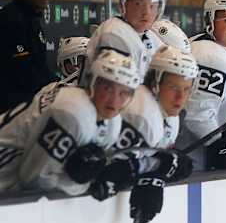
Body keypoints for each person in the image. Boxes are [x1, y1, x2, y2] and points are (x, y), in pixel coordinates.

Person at [0, 50, 140, 195]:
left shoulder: (112, 122)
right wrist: (86, 185)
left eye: (124, 93)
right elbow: (34, 179)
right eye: (107, 88)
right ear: (91, 82)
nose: (114, 101)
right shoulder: (71, 113)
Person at [88, 46, 198, 223]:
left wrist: (153, 173)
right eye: (173, 87)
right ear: (155, 82)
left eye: (186, 89)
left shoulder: (169, 117)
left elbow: (139, 163)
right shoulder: (142, 115)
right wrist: (157, 166)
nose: (180, 97)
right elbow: (109, 173)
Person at [176, 0, 226, 170]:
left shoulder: (201, 44)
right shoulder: (212, 56)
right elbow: (196, 114)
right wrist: (221, 144)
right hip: (196, 159)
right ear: (210, 21)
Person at [81, 0, 165, 84]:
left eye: (152, 6)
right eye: (138, 4)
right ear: (123, 4)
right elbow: (113, 89)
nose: (146, 13)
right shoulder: (113, 34)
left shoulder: (151, 37)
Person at [0, 0, 56, 113]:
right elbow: (25, 74)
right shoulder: (10, 19)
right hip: (10, 116)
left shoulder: (32, 18)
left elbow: (41, 68)